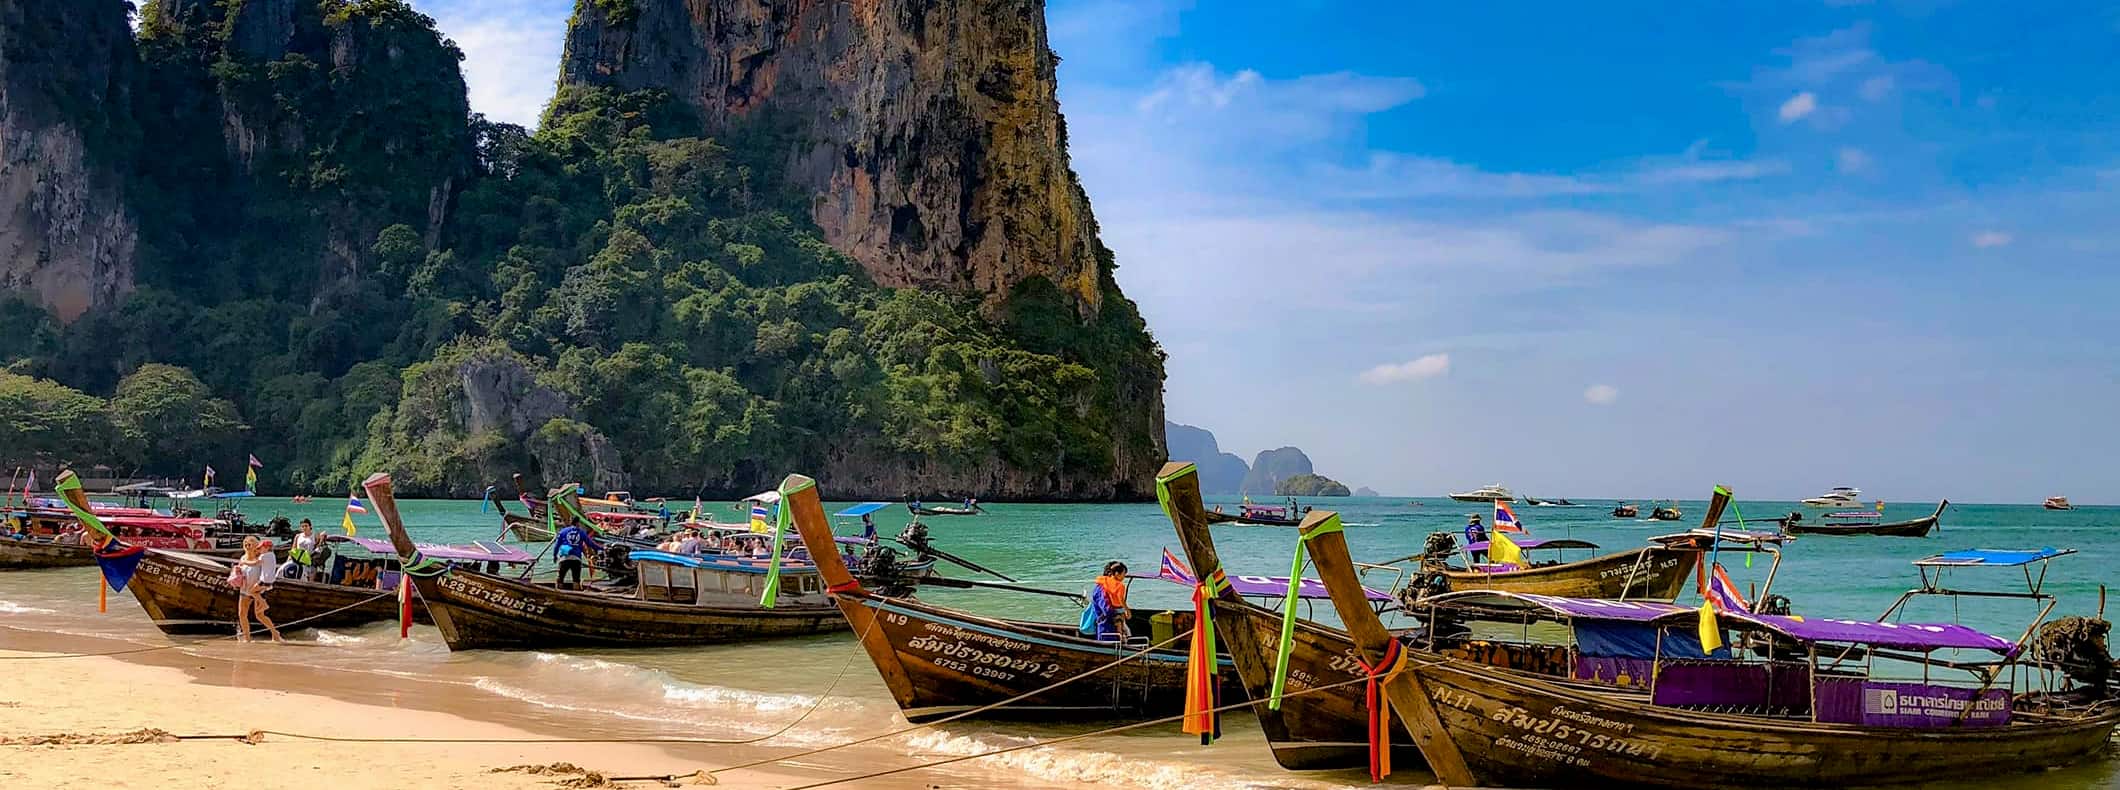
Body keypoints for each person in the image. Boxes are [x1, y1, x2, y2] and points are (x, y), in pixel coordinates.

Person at [234, 536, 283, 643]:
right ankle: (247, 638)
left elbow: (267, 571)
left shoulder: (261, 557)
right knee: (242, 614)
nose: (247, 546)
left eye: (249, 544)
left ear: (255, 545)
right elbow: (240, 570)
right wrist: (237, 571)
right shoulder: (243, 557)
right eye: (245, 544)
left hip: (258, 590)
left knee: (260, 615)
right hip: (244, 588)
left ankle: (275, 633)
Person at [1079, 561, 1132, 640]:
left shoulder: (1105, 588)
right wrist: (1119, 617)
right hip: (1107, 631)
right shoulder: (1102, 590)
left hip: (1107, 629)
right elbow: (1107, 610)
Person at [553, 518, 600, 591]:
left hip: (564, 558)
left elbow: (557, 546)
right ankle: (576, 593)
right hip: (576, 559)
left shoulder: (563, 531)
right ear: (578, 523)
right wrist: (601, 548)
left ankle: (558, 593)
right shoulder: (581, 532)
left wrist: (554, 556)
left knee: (560, 578)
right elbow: (590, 543)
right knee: (576, 579)